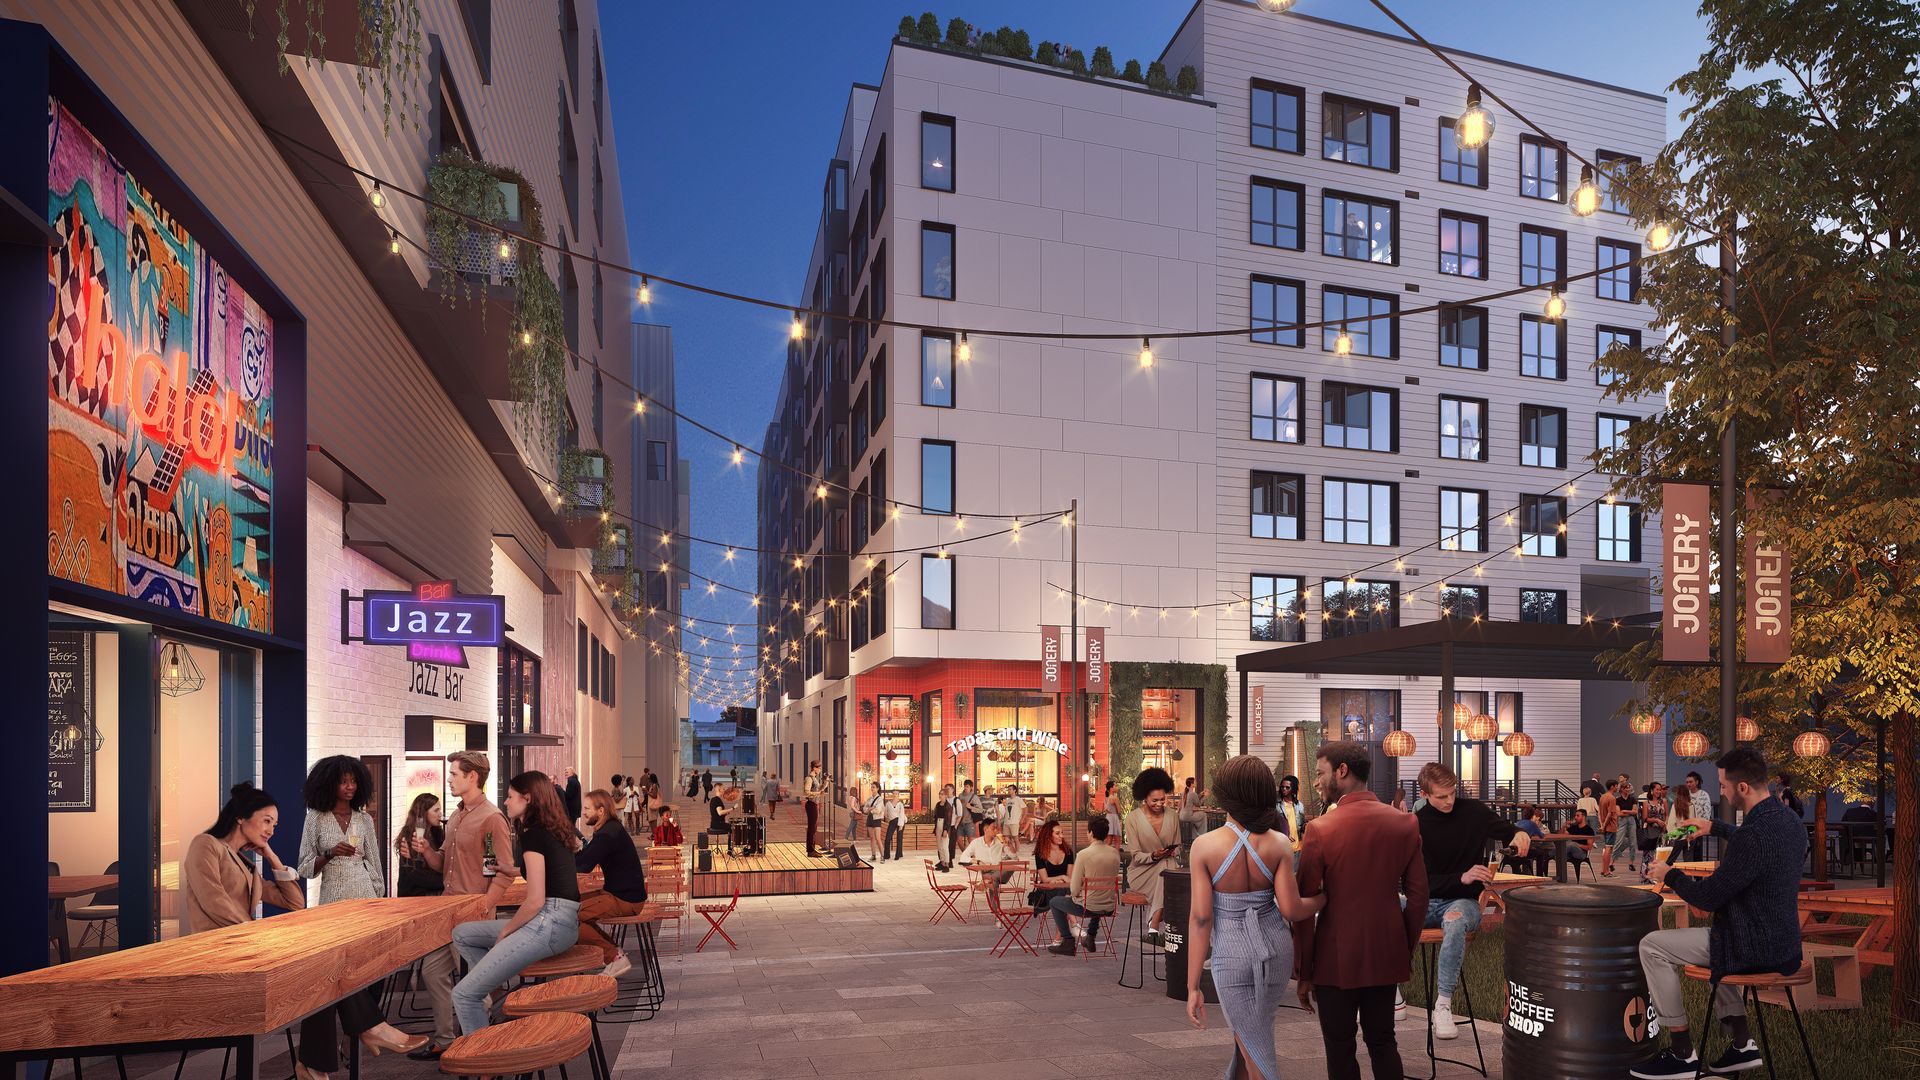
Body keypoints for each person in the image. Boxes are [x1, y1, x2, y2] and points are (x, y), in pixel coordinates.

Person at [185, 783, 423, 1080]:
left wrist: (270, 855)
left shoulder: (247, 864)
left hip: (242, 949)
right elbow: (214, 902)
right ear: (240, 818)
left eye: (275, 824)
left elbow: (294, 903)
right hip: (214, 953)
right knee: (321, 967)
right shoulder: (205, 845)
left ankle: (314, 1066)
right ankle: (367, 1030)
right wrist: (257, 935)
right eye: (267, 821)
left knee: (321, 971)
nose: (271, 829)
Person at [1633, 747, 1806, 1079]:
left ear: (1742, 788)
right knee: (1716, 942)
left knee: (1653, 945)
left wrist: (1667, 873)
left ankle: (1682, 1053)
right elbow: (1756, 844)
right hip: (1784, 944)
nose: (1722, 792)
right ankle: (1741, 1045)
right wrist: (1714, 826)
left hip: (1750, 946)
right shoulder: (1790, 822)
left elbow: (1709, 897)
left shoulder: (1753, 836)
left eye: (1724, 786)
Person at [1185, 756, 1328, 1079]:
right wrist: (1323, 898)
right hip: (1276, 948)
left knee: (1255, 1048)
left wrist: (1193, 985)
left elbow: (1201, 919)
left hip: (1232, 955)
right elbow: (1291, 910)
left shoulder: (1205, 846)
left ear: (1226, 796)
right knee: (1251, 1033)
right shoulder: (1278, 843)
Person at [1294, 741, 1427, 1080]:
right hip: (1386, 951)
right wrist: (1404, 947)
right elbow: (1418, 898)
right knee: (1383, 1041)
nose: (1317, 782)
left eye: (1321, 773)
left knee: (1339, 1047)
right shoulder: (1405, 823)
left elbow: (1305, 908)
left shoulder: (1321, 829)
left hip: (1334, 956)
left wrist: (1304, 970)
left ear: (1342, 771)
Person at [293, 756, 403, 1078]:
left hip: (367, 899)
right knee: (338, 972)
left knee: (372, 970)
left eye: (354, 781)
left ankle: (351, 1036)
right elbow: (302, 867)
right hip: (333, 903)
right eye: (344, 781)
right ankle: (362, 1030)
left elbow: (376, 863)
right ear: (329, 783)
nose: (350, 787)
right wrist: (329, 854)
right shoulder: (316, 817)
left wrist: (381, 899)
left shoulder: (364, 819)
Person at [407, 750, 517, 1061]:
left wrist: (486, 906)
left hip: (473, 914)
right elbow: (442, 864)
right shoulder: (456, 815)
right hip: (448, 910)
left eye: (454, 774)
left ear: (472, 777)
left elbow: (501, 871)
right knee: (432, 972)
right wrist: (426, 849)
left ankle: (480, 1044)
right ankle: (446, 1039)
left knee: (473, 985)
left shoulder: (492, 818)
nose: (450, 779)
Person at [450, 772, 580, 1034]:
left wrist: (506, 934)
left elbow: (534, 901)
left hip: (548, 922)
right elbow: (548, 873)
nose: (506, 802)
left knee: (464, 995)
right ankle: (493, 982)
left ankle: (486, 1064)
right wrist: (511, 869)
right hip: (564, 922)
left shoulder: (532, 835)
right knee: (462, 933)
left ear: (528, 799)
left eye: (510, 797)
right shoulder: (551, 829)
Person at [1412, 762, 1531, 1041]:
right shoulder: (1416, 825)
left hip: (1462, 903)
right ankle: (1390, 993)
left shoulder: (1473, 812)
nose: (1449, 800)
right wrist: (1462, 877)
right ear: (1425, 794)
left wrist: (1520, 834)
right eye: (1441, 796)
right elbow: (1417, 883)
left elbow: (1510, 830)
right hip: (1426, 901)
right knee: (1381, 912)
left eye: (1452, 792)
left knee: (1455, 923)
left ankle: (1442, 1005)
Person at [575, 789, 648, 978]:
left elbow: (583, 865)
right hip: (622, 895)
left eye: (587, 808)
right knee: (570, 905)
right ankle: (615, 953)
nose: (583, 812)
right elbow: (584, 858)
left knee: (568, 916)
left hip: (625, 899)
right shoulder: (610, 829)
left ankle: (614, 957)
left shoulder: (608, 833)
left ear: (601, 811)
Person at [1046, 816, 1121, 956]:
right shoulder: (1115, 853)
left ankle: (1068, 942)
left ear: (1091, 833)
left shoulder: (1084, 854)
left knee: (1055, 902)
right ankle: (1090, 936)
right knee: (1096, 896)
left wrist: (1078, 895)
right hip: (1110, 906)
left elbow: (1074, 889)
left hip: (1088, 907)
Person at [1124, 767, 1183, 941]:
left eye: (1162, 800)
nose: (1159, 804)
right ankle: (1158, 925)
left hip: (1166, 868)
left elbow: (1178, 847)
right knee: (1166, 870)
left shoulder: (1173, 816)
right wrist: (1153, 856)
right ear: (1144, 797)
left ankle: (1153, 926)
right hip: (1141, 871)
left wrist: (1170, 852)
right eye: (1154, 800)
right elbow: (1135, 855)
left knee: (1166, 867)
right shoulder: (1133, 819)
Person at [395, 792, 446, 897]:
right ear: (424, 813)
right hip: (413, 897)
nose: (440, 814)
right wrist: (447, 881)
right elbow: (418, 875)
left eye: (440, 809)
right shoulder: (410, 836)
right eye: (436, 810)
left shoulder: (437, 833)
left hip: (431, 895)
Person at [1030, 819, 1074, 933]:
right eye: (1057, 833)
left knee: (1062, 894)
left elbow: (1069, 878)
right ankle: (1074, 924)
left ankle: (1060, 938)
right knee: (1063, 896)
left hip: (1064, 890)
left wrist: (1061, 880)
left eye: (1062, 833)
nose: (1061, 836)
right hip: (1046, 893)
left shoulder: (1068, 852)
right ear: (1049, 836)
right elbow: (1044, 879)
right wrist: (1062, 878)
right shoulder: (1040, 854)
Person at [1598, 777, 1621, 876]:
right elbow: (1610, 814)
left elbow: (1599, 812)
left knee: (1606, 848)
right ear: (1612, 786)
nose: (1617, 787)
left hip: (1605, 826)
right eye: (1616, 786)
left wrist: (1602, 824)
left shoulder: (1602, 797)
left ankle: (1604, 870)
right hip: (1610, 826)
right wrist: (1604, 825)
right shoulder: (1612, 798)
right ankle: (1606, 871)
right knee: (1609, 849)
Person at [1277, 774, 1306, 850]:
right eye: (1282, 787)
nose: (1284, 789)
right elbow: (1273, 825)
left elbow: (1302, 825)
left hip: (1298, 847)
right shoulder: (1276, 805)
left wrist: (1306, 826)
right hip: (1282, 846)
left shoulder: (1300, 806)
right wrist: (1285, 834)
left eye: (1287, 787)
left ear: (1293, 789)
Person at [933, 782, 957, 871]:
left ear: (946, 796)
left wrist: (946, 830)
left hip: (944, 825)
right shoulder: (938, 804)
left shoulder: (949, 806)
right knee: (939, 846)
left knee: (945, 846)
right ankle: (942, 863)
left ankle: (947, 864)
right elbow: (935, 816)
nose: (940, 795)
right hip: (938, 825)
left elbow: (948, 819)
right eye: (940, 794)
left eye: (942, 794)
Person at [803, 761, 825, 856]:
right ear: (814, 768)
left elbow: (820, 788)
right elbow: (806, 792)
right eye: (819, 768)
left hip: (814, 804)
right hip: (811, 804)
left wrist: (826, 782)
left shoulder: (814, 779)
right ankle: (810, 851)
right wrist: (818, 794)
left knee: (814, 828)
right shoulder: (809, 778)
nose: (820, 770)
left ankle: (812, 849)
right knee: (812, 828)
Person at [1566, 808, 1596, 875]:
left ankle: (1555, 853)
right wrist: (1564, 826)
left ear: (1583, 817)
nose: (1575, 818)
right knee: (1563, 844)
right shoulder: (1574, 827)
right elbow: (1562, 835)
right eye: (1575, 816)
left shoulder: (1589, 830)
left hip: (1581, 853)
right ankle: (1555, 854)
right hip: (1571, 852)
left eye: (1578, 816)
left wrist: (1577, 845)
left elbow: (1589, 847)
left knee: (1572, 845)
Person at [863, 781, 887, 861]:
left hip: (876, 819)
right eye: (871, 787)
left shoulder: (880, 799)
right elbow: (864, 809)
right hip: (870, 818)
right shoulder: (869, 798)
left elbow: (878, 810)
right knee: (872, 838)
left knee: (878, 838)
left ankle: (882, 856)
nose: (872, 788)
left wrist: (870, 809)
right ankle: (873, 855)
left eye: (874, 787)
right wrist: (871, 808)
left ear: (877, 788)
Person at [884, 788, 907, 861]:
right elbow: (886, 813)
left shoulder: (900, 804)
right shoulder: (888, 803)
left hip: (900, 821)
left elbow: (901, 814)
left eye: (896, 794)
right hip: (892, 822)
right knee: (887, 838)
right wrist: (888, 819)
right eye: (893, 793)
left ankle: (898, 854)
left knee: (899, 839)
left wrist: (900, 825)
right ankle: (887, 855)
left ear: (898, 795)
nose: (895, 795)